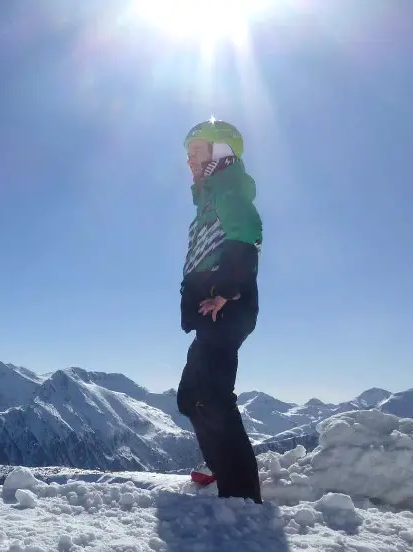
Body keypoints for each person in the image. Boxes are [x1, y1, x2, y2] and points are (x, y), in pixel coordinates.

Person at [175, 119, 264, 503]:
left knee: (212, 395)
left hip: (226, 307)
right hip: (211, 310)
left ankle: (243, 496)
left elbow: (249, 234)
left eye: (196, 151)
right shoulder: (211, 199)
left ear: (220, 153)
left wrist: (227, 291)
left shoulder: (228, 193)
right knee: (190, 395)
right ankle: (219, 465)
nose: (190, 160)